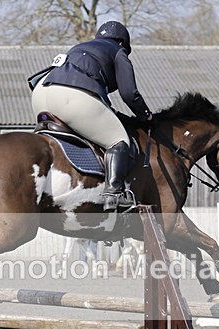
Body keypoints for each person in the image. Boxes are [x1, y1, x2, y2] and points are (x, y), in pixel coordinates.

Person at [30, 20, 153, 211]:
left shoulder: (79, 48)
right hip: (70, 95)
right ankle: (114, 194)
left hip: (40, 93)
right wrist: (145, 115)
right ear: (122, 42)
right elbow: (129, 93)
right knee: (118, 141)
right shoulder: (118, 51)